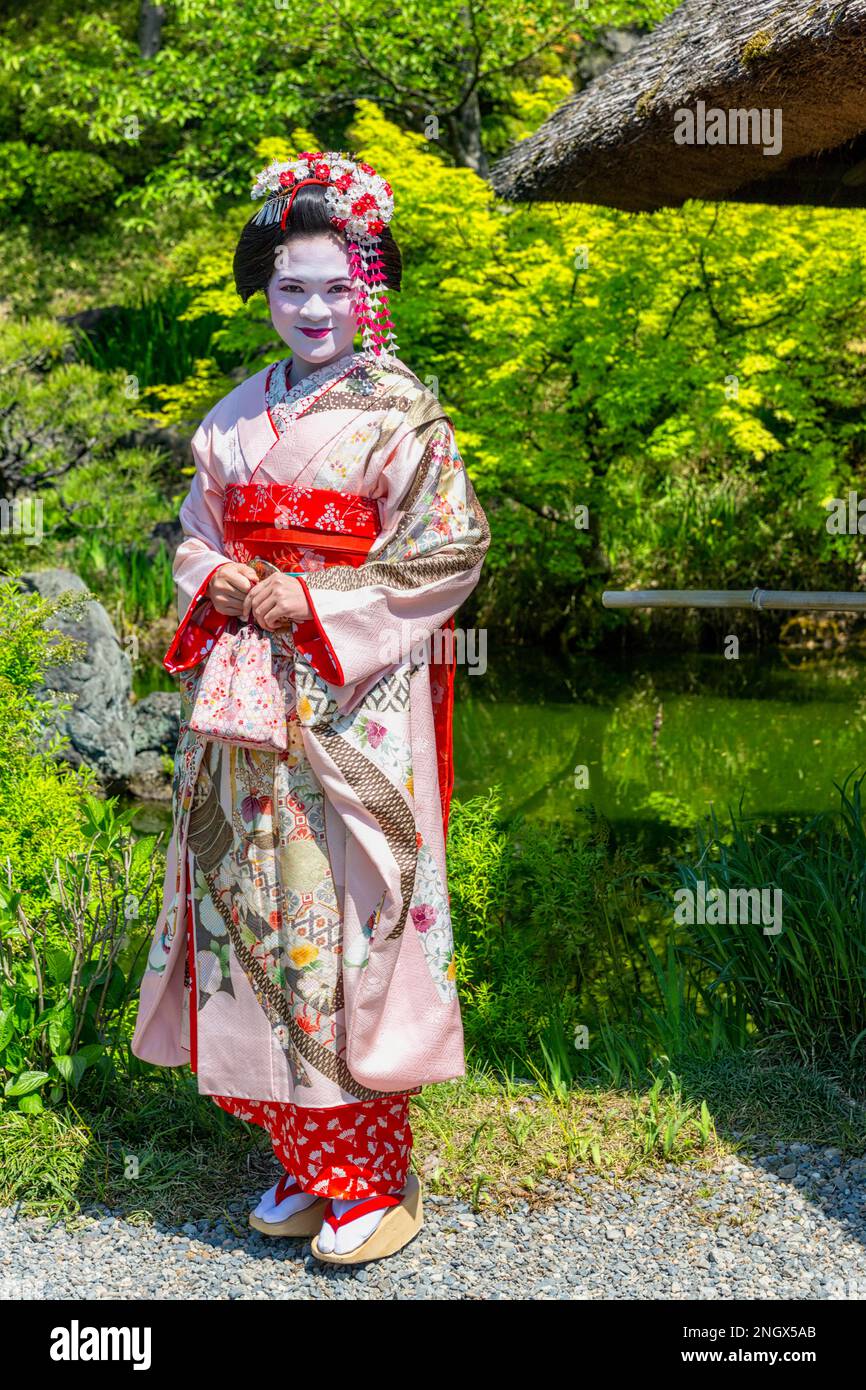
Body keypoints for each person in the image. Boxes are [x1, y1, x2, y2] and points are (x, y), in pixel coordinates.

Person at [130, 150, 491, 1264]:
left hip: (348, 704)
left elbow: (449, 548)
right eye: (291, 286)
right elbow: (194, 532)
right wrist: (220, 579)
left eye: (336, 285)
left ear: (370, 285)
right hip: (245, 710)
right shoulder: (233, 417)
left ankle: (368, 1178)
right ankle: (299, 1156)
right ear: (266, 290)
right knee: (248, 909)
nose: (314, 308)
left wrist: (315, 594)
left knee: (342, 923)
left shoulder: (406, 418)